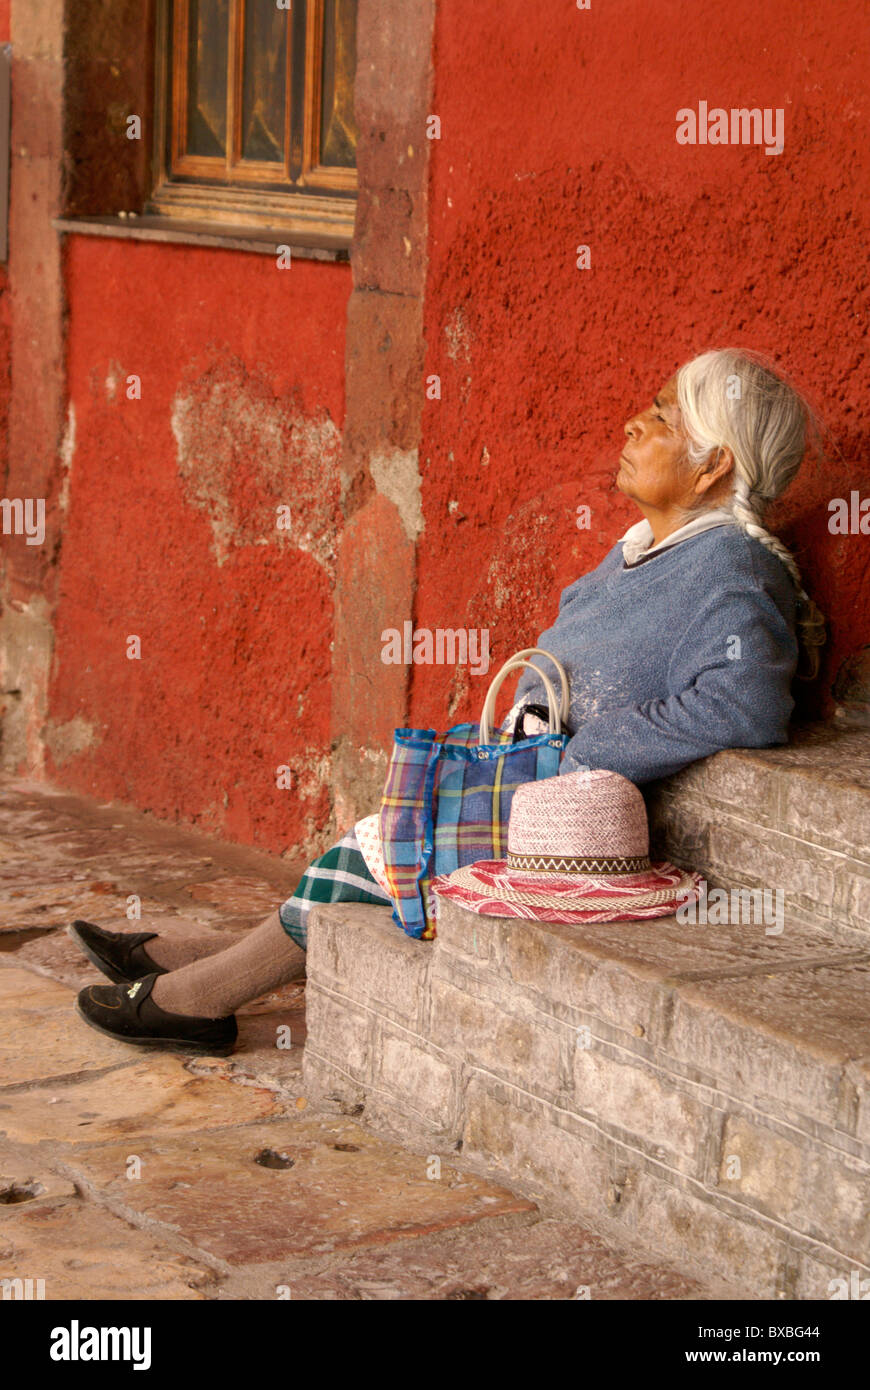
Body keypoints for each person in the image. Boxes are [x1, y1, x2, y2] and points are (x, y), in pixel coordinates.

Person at [72, 347, 826, 1054]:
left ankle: (200, 998)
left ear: (713, 465)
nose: (636, 422)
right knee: (392, 822)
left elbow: (749, 702)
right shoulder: (650, 545)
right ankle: (196, 961)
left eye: (663, 418)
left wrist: (595, 747)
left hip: (570, 818)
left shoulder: (730, 567)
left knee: (386, 845)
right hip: (528, 773)